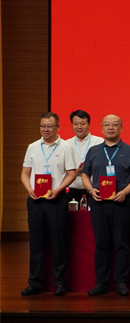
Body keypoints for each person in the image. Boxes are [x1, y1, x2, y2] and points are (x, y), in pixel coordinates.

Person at [81, 114, 130, 296]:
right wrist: (90, 190)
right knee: (101, 243)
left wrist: (125, 192)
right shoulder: (93, 151)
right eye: (107, 125)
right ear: (101, 128)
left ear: (121, 128)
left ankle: (121, 282)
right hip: (99, 203)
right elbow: (85, 174)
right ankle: (101, 282)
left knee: (122, 243)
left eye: (115, 124)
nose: (110, 127)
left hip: (121, 203)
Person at [20, 112, 78, 296]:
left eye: (50, 126)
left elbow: (71, 173)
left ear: (57, 128)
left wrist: (58, 189)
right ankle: (35, 282)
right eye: (43, 126)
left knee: (58, 241)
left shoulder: (67, 147)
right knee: (36, 242)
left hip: (56, 199)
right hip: (35, 200)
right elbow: (25, 173)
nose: (46, 129)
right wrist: (29, 189)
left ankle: (60, 282)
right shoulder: (32, 147)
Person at [66, 110, 103, 204]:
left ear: (89, 124)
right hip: (73, 190)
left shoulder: (99, 142)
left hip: (95, 190)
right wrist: (75, 172)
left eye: (83, 124)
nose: (79, 127)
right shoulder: (66, 144)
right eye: (75, 124)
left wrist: (88, 169)